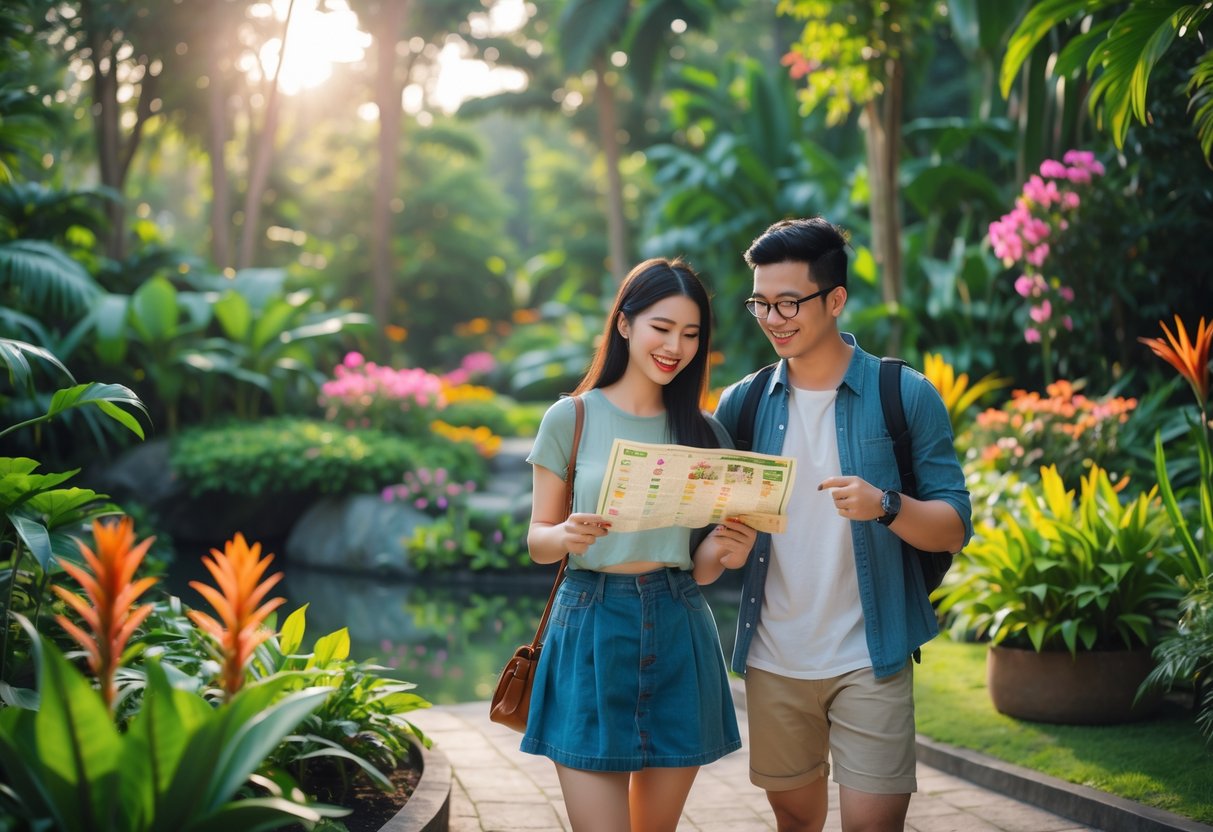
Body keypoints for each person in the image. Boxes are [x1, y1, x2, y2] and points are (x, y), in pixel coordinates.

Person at [706, 217, 973, 832]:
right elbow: (713, 533)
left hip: (870, 657)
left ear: (835, 299)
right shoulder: (741, 404)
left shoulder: (902, 394)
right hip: (774, 659)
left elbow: (954, 526)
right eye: (760, 303)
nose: (773, 318)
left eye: (789, 302)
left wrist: (886, 505)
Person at [521, 257, 757, 832]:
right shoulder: (570, 418)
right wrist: (566, 533)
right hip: (590, 625)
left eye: (691, 333)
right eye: (662, 327)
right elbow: (537, 541)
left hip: (678, 623)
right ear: (624, 324)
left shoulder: (707, 434)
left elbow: (699, 569)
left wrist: (728, 548)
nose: (675, 345)